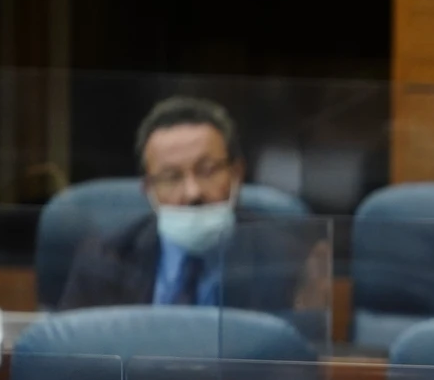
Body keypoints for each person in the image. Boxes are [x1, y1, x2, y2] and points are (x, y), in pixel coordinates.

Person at [59, 96, 324, 314]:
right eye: (171, 177)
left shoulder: (287, 260)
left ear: (237, 174)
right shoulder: (106, 259)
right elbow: (74, 362)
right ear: (149, 189)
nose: (192, 192)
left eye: (207, 170)